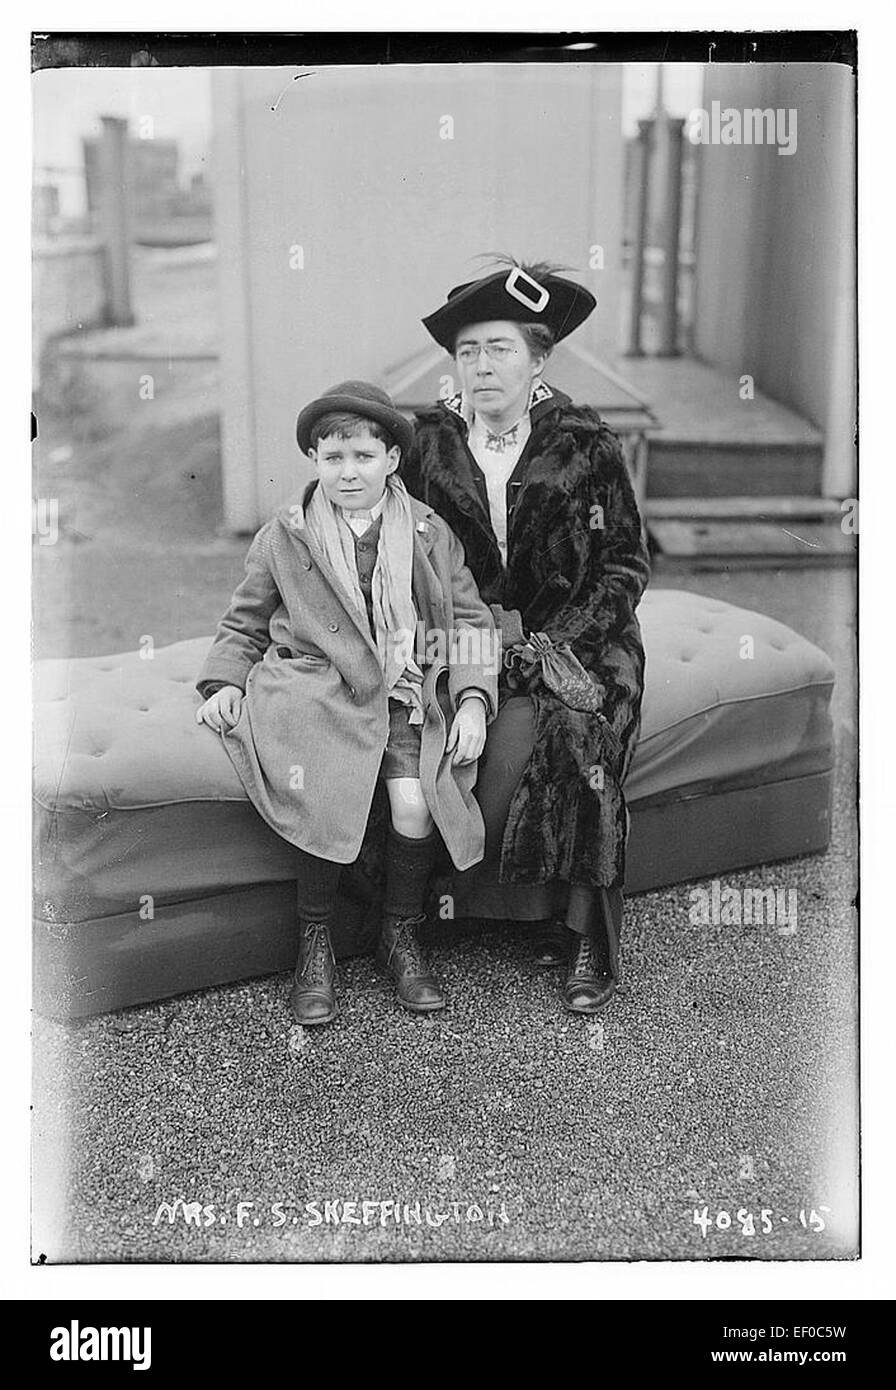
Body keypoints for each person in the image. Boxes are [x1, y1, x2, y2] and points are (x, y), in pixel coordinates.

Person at [195, 381, 498, 1026]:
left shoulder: (426, 531)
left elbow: (469, 621)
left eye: (364, 456)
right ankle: (316, 942)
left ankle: (400, 932)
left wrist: (471, 699)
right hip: (316, 688)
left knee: (415, 799)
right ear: (314, 462)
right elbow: (244, 623)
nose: (349, 472)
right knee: (323, 792)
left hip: (402, 687)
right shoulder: (287, 535)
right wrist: (224, 682)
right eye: (333, 459)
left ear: (392, 460)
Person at [402, 259, 650, 1015]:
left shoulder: (586, 445)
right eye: (468, 350)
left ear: (538, 359)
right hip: (468, 639)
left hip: (581, 638)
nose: (481, 366)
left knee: (579, 731)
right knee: (434, 733)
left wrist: (558, 644)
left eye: (499, 349)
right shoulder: (429, 446)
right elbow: (402, 558)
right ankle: (420, 918)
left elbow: (625, 565)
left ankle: (584, 938)